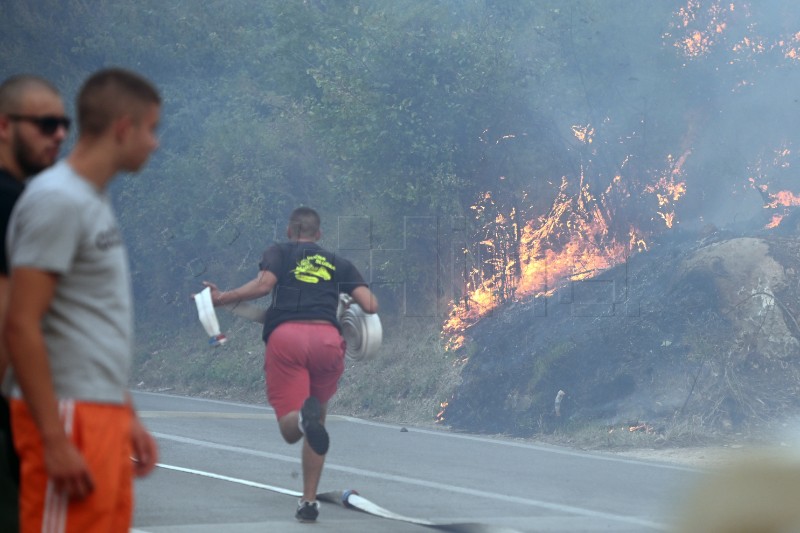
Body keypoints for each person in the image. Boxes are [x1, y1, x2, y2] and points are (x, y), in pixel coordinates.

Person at [3, 68, 161, 533]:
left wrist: (123, 409)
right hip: (67, 412)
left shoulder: (90, 200)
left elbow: (88, 322)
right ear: (122, 128)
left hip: (99, 408)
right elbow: (21, 323)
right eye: (151, 129)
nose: (155, 144)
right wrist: (53, 437)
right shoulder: (56, 200)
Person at [203, 206, 378, 522]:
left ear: (289, 231)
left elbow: (262, 286)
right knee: (319, 420)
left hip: (287, 338)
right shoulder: (338, 263)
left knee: (293, 428)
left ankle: (301, 421)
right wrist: (345, 301)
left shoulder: (279, 252)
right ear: (319, 234)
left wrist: (222, 297)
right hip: (327, 341)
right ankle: (308, 501)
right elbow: (370, 304)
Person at [0, 74, 69, 533]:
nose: (59, 135)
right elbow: (13, 320)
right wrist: (51, 432)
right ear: (5, 125)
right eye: (45, 124)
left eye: (63, 124)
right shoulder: (13, 202)